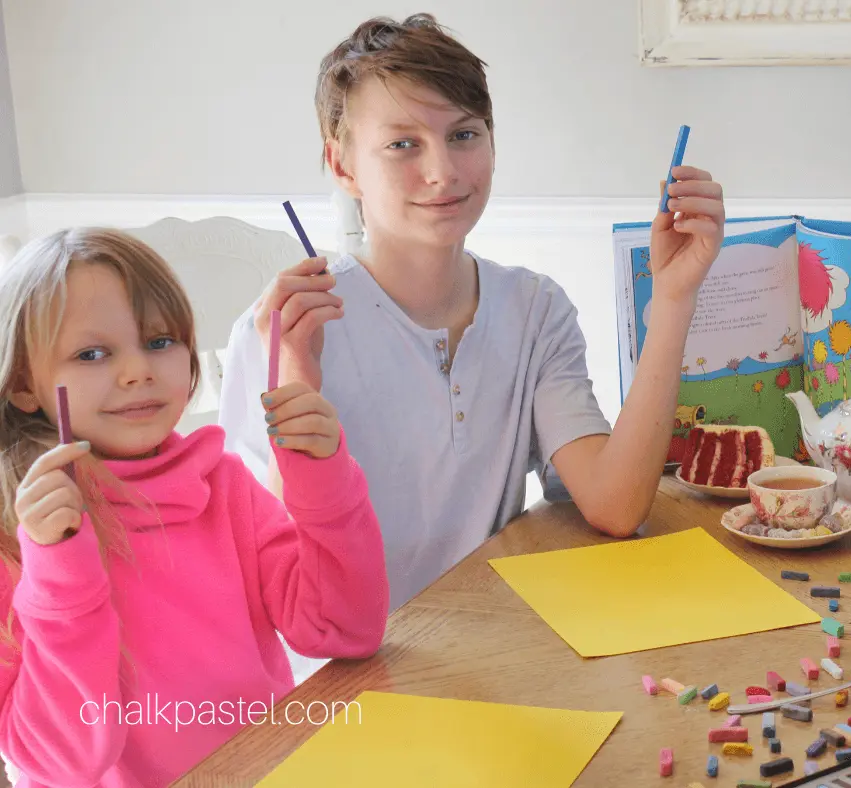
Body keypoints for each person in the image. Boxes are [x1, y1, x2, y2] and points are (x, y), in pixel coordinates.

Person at [219, 13, 725, 615]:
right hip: (339, 680)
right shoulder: (281, 330)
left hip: (490, 646)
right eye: (403, 144)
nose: (443, 171)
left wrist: (672, 300)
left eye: (463, 134)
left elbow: (615, 504)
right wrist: (297, 377)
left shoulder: (536, 311)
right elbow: (276, 575)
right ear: (342, 165)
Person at [0, 228, 388, 787]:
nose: (138, 371)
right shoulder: (14, 541)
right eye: (92, 353)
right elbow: (64, 759)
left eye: (159, 342)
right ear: (23, 386)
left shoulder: (224, 488)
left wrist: (323, 478)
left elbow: (343, 629)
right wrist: (59, 576)